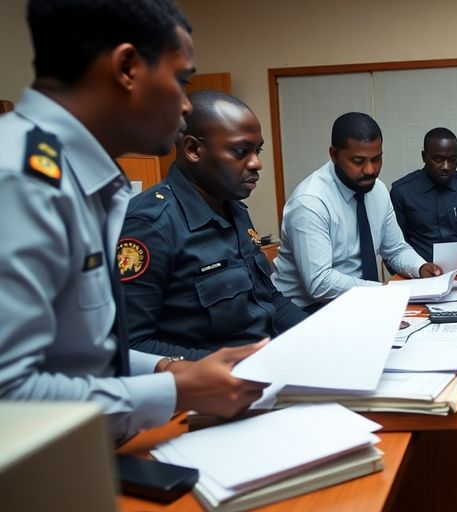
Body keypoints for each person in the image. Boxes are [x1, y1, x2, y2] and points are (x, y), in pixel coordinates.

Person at [0, 0, 269, 443]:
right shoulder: (23, 182)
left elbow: (86, 358)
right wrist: (176, 388)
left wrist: (169, 369)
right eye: (181, 80)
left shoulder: (85, 180)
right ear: (127, 67)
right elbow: (11, 400)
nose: (186, 106)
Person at [119, 90, 306, 360]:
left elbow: (268, 299)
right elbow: (132, 345)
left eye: (257, 150)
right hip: (210, 384)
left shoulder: (233, 208)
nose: (257, 163)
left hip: (269, 361)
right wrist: (227, 366)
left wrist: (320, 332)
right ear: (193, 149)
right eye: (241, 151)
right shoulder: (150, 225)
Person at [273, 112, 443, 312]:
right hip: (307, 310)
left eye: (376, 159)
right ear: (334, 155)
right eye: (358, 161)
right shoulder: (310, 202)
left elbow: (395, 249)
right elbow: (319, 282)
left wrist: (420, 267)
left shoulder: (377, 190)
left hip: (362, 300)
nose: (370, 170)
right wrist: (383, 291)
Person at [390, 127, 457, 279]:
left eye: (452, 159)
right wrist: (415, 270)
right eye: (438, 159)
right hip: (418, 277)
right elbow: (393, 248)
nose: (446, 166)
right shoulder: (402, 191)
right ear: (424, 156)